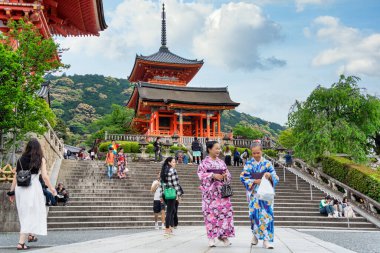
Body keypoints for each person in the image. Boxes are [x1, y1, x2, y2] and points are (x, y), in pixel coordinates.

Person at [8, 138, 57, 250]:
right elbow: (45, 177)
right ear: (38, 148)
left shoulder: (20, 159)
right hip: (33, 188)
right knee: (34, 212)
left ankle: (31, 234)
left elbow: (15, 177)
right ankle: (21, 243)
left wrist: (11, 192)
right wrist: (52, 189)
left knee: (26, 213)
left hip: (20, 189)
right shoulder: (40, 159)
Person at [240, 141, 279, 249]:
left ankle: (266, 240)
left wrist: (269, 175)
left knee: (267, 215)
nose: (256, 155)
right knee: (254, 215)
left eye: (258, 153)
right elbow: (243, 177)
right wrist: (254, 181)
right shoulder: (248, 164)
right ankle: (255, 235)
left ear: (262, 151)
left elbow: (276, 176)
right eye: (254, 153)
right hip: (254, 193)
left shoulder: (267, 163)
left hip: (266, 193)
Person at [198, 141, 235, 247]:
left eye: (219, 149)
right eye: (216, 148)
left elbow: (228, 175)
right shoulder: (204, 163)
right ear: (209, 149)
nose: (219, 151)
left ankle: (224, 236)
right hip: (210, 193)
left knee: (225, 213)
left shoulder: (222, 162)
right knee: (210, 214)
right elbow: (201, 175)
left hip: (222, 192)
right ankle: (211, 237)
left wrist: (224, 176)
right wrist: (213, 175)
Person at [160, 157, 184, 237]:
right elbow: (176, 184)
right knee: (170, 212)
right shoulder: (172, 170)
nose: (175, 163)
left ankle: (169, 228)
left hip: (165, 193)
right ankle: (167, 230)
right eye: (173, 162)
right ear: (169, 163)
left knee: (172, 210)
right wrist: (179, 194)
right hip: (171, 193)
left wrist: (161, 195)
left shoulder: (164, 171)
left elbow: (162, 184)